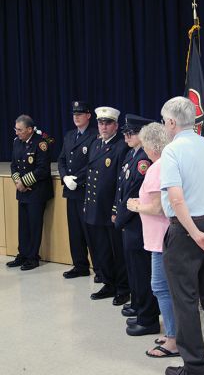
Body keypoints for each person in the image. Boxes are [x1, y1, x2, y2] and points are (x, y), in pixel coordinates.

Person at [160, 97, 204, 375]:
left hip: (185, 231)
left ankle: (195, 368)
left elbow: (177, 200)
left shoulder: (172, 151)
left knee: (186, 301)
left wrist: (194, 233)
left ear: (171, 122)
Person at [127, 122, 179, 356]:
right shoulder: (161, 164)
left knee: (161, 287)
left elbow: (159, 208)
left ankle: (173, 340)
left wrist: (136, 206)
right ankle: (172, 331)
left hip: (161, 238)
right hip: (159, 237)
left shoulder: (158, 168)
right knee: (165, 287)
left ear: (151, 145)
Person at [114, 114, 160, 336]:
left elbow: (133, 194)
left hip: (137, 223)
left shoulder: (144, 160)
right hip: (129, 221)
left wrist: (120, 218)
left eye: (130, 133)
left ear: (142, 135)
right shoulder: (132, 154)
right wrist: (117, 213)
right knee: (133, 269)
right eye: (125, 132)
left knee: (142, 272)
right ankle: (139, 306)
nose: (126, 136)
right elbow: (121, 187)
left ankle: (147, 317)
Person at [84, 106, 130, 306]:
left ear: (116, 126)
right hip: (95, 208)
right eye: (101, 123)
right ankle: (108, 282)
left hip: (110, 209)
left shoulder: (121, 147)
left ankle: (123, 288)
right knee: (102, 250)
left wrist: (115, 209)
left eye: (108, 123)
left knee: (116, 251)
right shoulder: (95, 144)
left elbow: (121, 183)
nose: (103, 126)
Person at [58, 101, 99, 280]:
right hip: (71, 190)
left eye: (80, 113)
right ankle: (80, 265)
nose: (76, 116)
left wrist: (77, 179)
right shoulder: (69, 136)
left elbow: (93, 162)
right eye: (74, 113)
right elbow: (61, 160)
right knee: (74, 231)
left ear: (88, 116)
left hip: (85, 190)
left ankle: (100, 269)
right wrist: (65, 177)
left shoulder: (94, 135)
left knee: (90, 232)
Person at [7, 114, 54, 271]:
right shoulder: (17, 143)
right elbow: (13, 165)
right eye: (16, 129)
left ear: (29, 129)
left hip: (37, 192)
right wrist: (18, 182)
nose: (17, 132)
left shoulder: (41, 144)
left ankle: (32, 257)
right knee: (23, 225)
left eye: (19, 130)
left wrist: (24, 182)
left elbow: (43, 170)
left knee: (34, 225)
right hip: (23, 191)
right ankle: (23, 254)